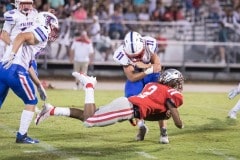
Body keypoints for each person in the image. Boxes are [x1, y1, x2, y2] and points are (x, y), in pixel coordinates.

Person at [35, 69, 185, 144]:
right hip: (127, 109)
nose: (179, 85)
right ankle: (89, 84)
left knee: (90, 114)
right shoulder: (170, 92)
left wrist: (161, 115)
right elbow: (175, 115)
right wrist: (178, 122)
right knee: (89, 121)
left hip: (127, 105)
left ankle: (51, 110)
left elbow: (146, 112)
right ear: (171, 83)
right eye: (177, 82)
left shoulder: (152, 85)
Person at [0, 11, 59, 144]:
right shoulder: (42, 30)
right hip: (15, 69)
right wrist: (13, 54)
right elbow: (21, 36)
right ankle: (22, 136)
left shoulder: (32, 30)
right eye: (53, 27)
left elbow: (29, 65)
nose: (54, 32)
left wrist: (38, 85)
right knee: (31, 101)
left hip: (3, 68)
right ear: (46, 23)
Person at [112, 31, 169, 144]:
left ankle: (163, 131)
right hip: (138, 76)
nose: (136, 58)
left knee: (160, 99)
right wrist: (147, 69)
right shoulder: (121, 54)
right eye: (133, 57)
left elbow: (157, 67)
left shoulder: (149, 43)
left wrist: (145, 67)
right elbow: (132, 77)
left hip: (152, 74)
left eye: (138, 55)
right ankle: (141, 126)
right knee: (133, 99)